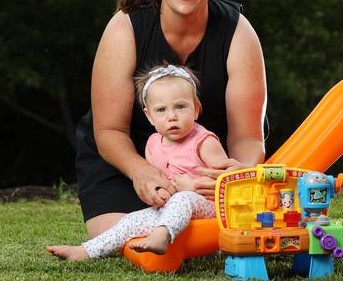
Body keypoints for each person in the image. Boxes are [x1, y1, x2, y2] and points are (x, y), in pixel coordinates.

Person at [74, 0, 266, 241]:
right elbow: (109, 130)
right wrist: (142, 172)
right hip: (128, 161)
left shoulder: (239, 33)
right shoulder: (124, 28)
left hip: (203, 167)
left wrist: (235, 174)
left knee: (211, 240)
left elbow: (248, 136)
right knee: (124, 240)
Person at [48, 64, 242, 260]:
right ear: (149, 116)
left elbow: (230, 184)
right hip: (172, 210)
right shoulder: (152, 144)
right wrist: (160, 192)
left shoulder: (204, 142)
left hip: (211, 211)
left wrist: (192, 187)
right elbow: (159, 179)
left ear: (196, 109)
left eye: (180, 107)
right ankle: (86, 251)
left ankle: (161, 236)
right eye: (161, 110)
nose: (172, 116)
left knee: (184, 199)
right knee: (131, 220)